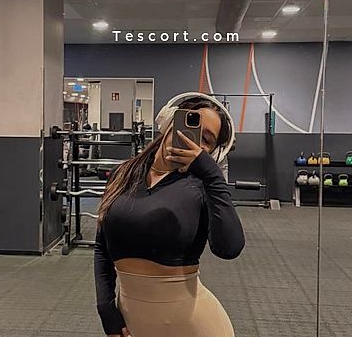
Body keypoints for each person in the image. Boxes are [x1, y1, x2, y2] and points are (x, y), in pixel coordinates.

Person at [94, 92, 245, 337]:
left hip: (193, 324)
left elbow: (229, 248)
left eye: (206, 140)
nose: (192, 140)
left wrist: (211, 174)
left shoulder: (202, 186)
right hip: (132, 320)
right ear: (168, 122)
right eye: (189, 125)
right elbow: (102, 248)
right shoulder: (124, 174)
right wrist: (106, 309)